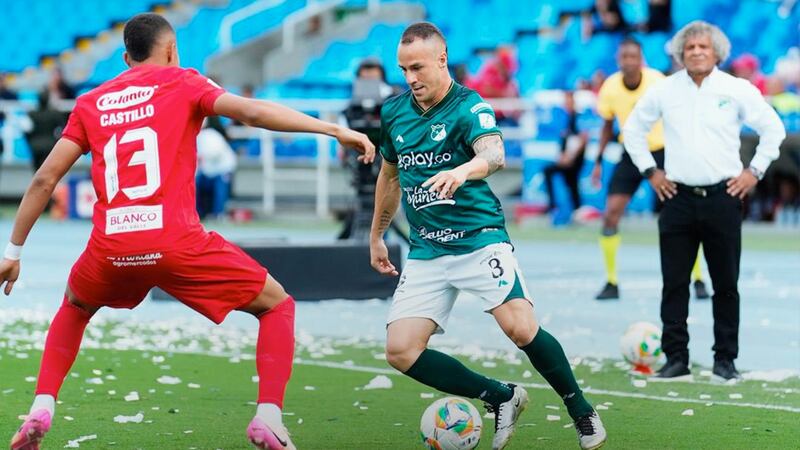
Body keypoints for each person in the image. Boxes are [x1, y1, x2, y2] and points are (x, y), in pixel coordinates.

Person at [2, 13, 374, 450]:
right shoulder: (185, 82)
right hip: (178, 242)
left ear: (125, 58)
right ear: (172, 51)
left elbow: (45, 179)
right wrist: (331, 128)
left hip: (111, 247)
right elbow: (252, 112)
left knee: (75, 306)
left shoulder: (92, 102)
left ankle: (43, 405)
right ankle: (269, 417)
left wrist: (12, 251)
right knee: (277, 305)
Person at [369, 22, 607, 450]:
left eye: (418, 68)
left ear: (442, 60)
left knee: (519, 328)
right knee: (400, 351)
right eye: (403, 70)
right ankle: (502, 396)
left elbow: (493, 153)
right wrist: (377, 236)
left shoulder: (469, 106)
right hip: (426, 248)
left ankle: (581, 410)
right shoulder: (394, 112)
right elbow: (389, 176)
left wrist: (460, 172)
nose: (410, 79)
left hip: (478, 238)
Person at [622, 21, 785, 380]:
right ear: (680, 54)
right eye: (690, 47)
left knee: (726, 284)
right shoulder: (665, 90)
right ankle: (676, 358)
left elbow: (774, 129)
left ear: (717, 53)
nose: (696, 52)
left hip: (722, 198)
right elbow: (632, 130)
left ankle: (725, 360)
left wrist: (753, 172)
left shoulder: (735, 89)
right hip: (677, 197)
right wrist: (651, 172)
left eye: (703, 47)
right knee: (674, 283)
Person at [591, 37, 709, 301]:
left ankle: (698, 278)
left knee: (683, 214)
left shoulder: (657, 82)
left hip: (663, 152)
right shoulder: (610, 88)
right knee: (610, 214)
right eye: (624, 57)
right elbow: (607, 127)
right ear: (618, 60)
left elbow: (679, 116)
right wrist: (598, 161)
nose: (629, 62)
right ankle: (611, 282)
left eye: (634, 57)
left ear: (641, 59)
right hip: (631, 152)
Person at [543, 91, 588, 215]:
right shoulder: (566, 118)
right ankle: (572, 209)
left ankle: (563, 207)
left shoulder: (578, 117)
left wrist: (570, 157)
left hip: (575, 158)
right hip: (568, 157)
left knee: (570, 179)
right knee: (570, 181)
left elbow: (583, 139)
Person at [196, 119, 237, 220]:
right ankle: (199, 213)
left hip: (223, 168)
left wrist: (202, 157)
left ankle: (219, 214)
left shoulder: (211, 134)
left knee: (220, 191)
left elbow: (216, 153)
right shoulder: (197, 136)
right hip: (208, 171)